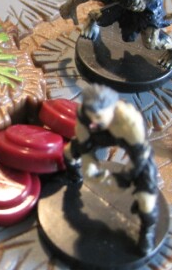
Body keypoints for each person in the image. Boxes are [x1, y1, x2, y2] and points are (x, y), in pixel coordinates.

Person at [64, 84, 159, 254]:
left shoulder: (130, 121)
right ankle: (73, 175)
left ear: (111, 109)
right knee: (68, 152)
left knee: (147, 201)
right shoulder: (86, 115)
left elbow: (139, 158)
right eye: (91, 117)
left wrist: (121, 180)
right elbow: (85, 145)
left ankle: (147, 230)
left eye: (98, 116)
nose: (93, 121)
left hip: (136, 150)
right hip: (98, 138)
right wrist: (89, 166)